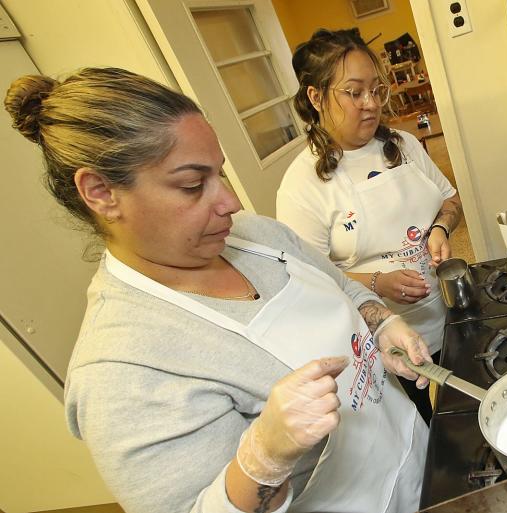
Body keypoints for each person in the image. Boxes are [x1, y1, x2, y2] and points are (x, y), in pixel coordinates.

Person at [4, 67, 433, 513]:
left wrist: (381, 324)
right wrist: (261, 461)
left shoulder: (259, 237)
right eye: (193, 185)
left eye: (220, 174)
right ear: (101, 192)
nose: (230, 202)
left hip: (415, 458)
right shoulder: (121, 372)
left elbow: (343, 286)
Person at [276, 29, 463, 423]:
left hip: (447, 310)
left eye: (377, 91)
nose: (371, 104)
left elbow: (450, 200)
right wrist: (378, 282)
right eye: (354, 92)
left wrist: (441, 229)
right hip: (382, 341)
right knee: (420, 424)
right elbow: (308, 280)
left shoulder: (405, 145)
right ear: (315, 96)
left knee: (464, 409)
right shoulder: (302, 184)